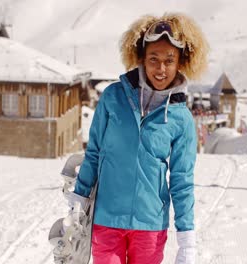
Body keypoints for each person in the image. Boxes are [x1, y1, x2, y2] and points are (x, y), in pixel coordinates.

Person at [66, 12, 209, 264]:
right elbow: (95, 153)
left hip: (150, 226)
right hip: (106, 220)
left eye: (169, 60)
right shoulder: (112, 97)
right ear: (142, 58)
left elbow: (181, 180)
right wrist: (78, 199)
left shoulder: (181, 118)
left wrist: (187, 240)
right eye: (154, 58)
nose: (161, 68)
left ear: (180, 63)